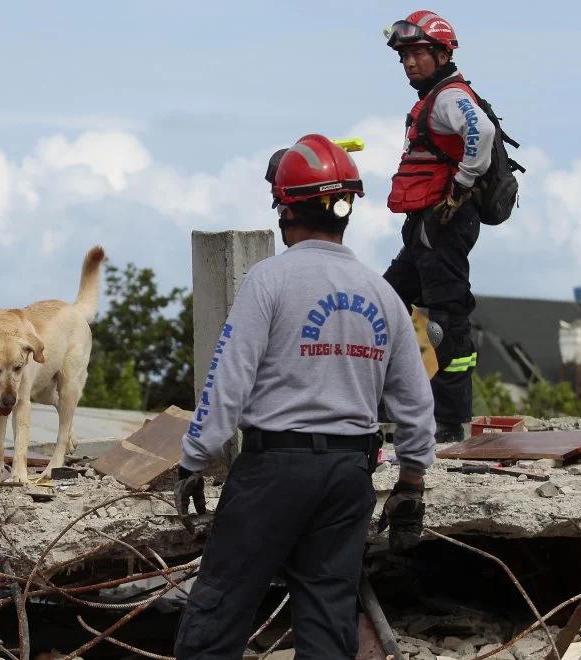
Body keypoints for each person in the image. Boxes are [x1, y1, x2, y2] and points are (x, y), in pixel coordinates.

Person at [173, 135, 435, 659]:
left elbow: (227, 384)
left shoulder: (269, 281)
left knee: (218, 613)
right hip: (348, 477)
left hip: (274, 470)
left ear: (285, 209)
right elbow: (415, 404)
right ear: (345, 212)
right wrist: (411, 482)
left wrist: (192, 461)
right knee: (326, 620)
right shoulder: (382, 293)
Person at [382, 10, 494, 443]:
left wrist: (462, 184)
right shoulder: (434, 96)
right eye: (404, 56)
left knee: (446, 320)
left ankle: (450, 421)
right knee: (386, 304)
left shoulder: (449, 96)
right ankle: (388, 406)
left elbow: (480, 132)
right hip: (426, 226)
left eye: (418, 54)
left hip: (446, 222)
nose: (410, 63)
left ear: (443, 52)